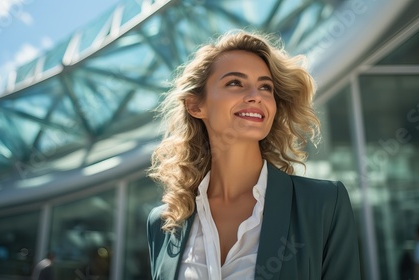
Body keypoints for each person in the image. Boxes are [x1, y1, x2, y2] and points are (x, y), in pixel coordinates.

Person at [147, 30, 361, 279]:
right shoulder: (164, 223)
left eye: (265, 87)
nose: (256, 96)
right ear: (196, 105)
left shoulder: (323, 203)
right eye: (235, 83)